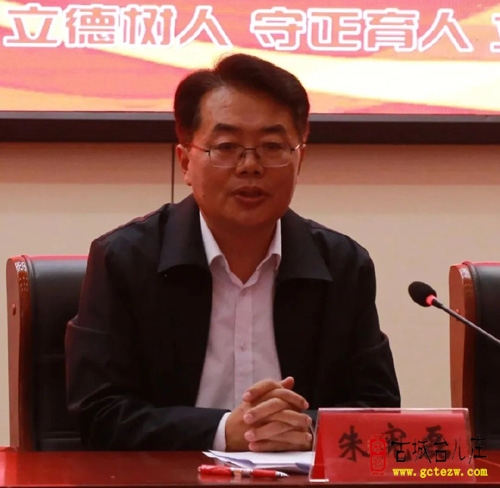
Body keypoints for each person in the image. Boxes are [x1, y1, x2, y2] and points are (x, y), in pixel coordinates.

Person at [65, 53, 400, 452]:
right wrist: (224, 431)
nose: (250, 166)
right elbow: (100, 416)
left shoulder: (342, 265)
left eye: (272, 146)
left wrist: (304, 429)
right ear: (185, 162)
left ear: (300, 160)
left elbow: (378, 410)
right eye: (226, 147)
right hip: (168, 477)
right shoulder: (124, 260)